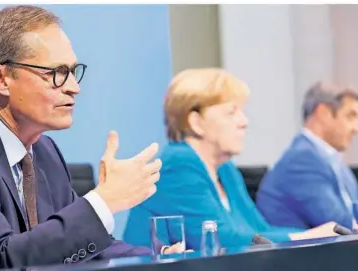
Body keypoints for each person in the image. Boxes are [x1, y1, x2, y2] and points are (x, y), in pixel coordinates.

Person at [0, 5, 180, 270]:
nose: (74, 88)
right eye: (57, 73)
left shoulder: (43, 150)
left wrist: (162, 259)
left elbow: (80, 248)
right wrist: (103, 201)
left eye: (73, 72)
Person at [123, 68, 338, 250]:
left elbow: (259, 230)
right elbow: (222, 240)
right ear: (196, 122)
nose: (244, 122)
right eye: (231, 112)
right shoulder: (178, 165)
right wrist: (308, 237)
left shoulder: (224, 169)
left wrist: (315, 234)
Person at [257, 81, 358, 230]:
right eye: (350, 116)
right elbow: (340, 226)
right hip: (303, 253)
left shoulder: (332, 158)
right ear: (323, 113)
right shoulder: (301, 161)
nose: (357, 128)